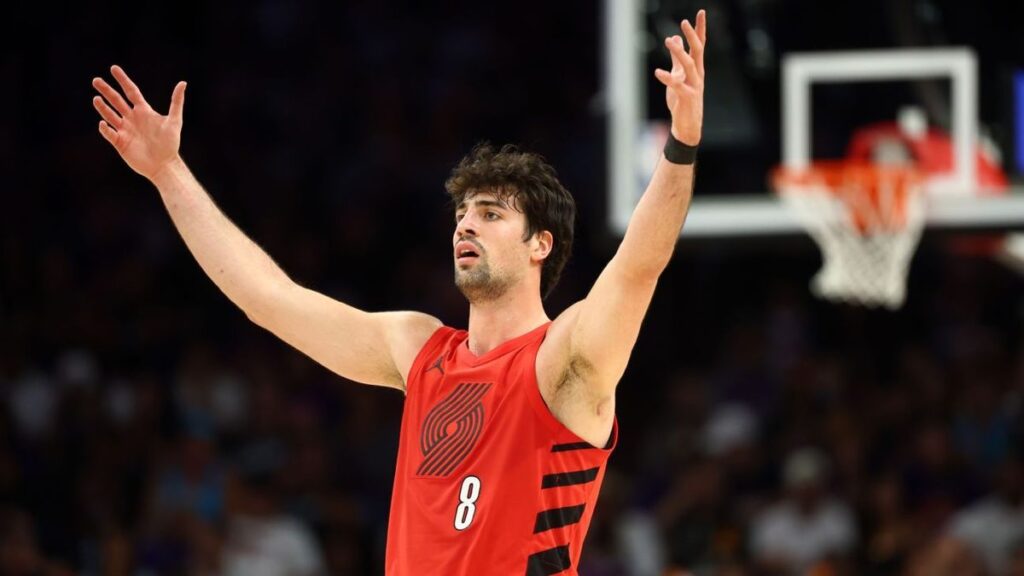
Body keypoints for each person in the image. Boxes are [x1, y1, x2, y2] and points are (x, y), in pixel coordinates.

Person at [90, 9, 706, 574]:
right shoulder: (417, 348)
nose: (466, 225)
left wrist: (680, 142)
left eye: (491, 213)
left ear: (539, 244)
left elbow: (637, 268)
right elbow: (267, 298)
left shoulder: (563, 361)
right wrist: (167, 172)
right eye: (462, 213)